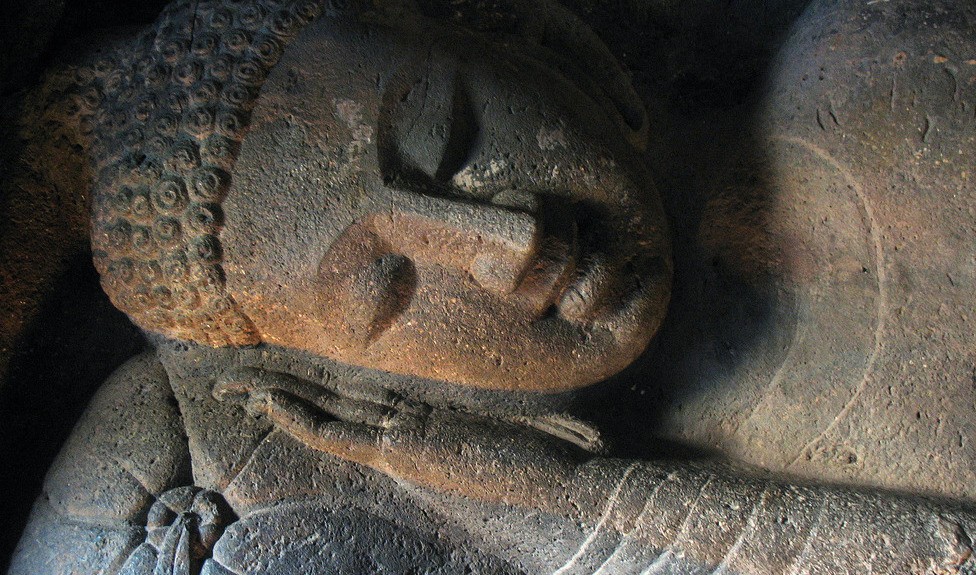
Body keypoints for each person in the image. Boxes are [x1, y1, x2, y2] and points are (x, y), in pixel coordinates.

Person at [8, 0, 976, 573]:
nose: (507, 242)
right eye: (388, 289)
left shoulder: (877, 66)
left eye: (443, 132)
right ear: (388, 381)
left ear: (548, 39)